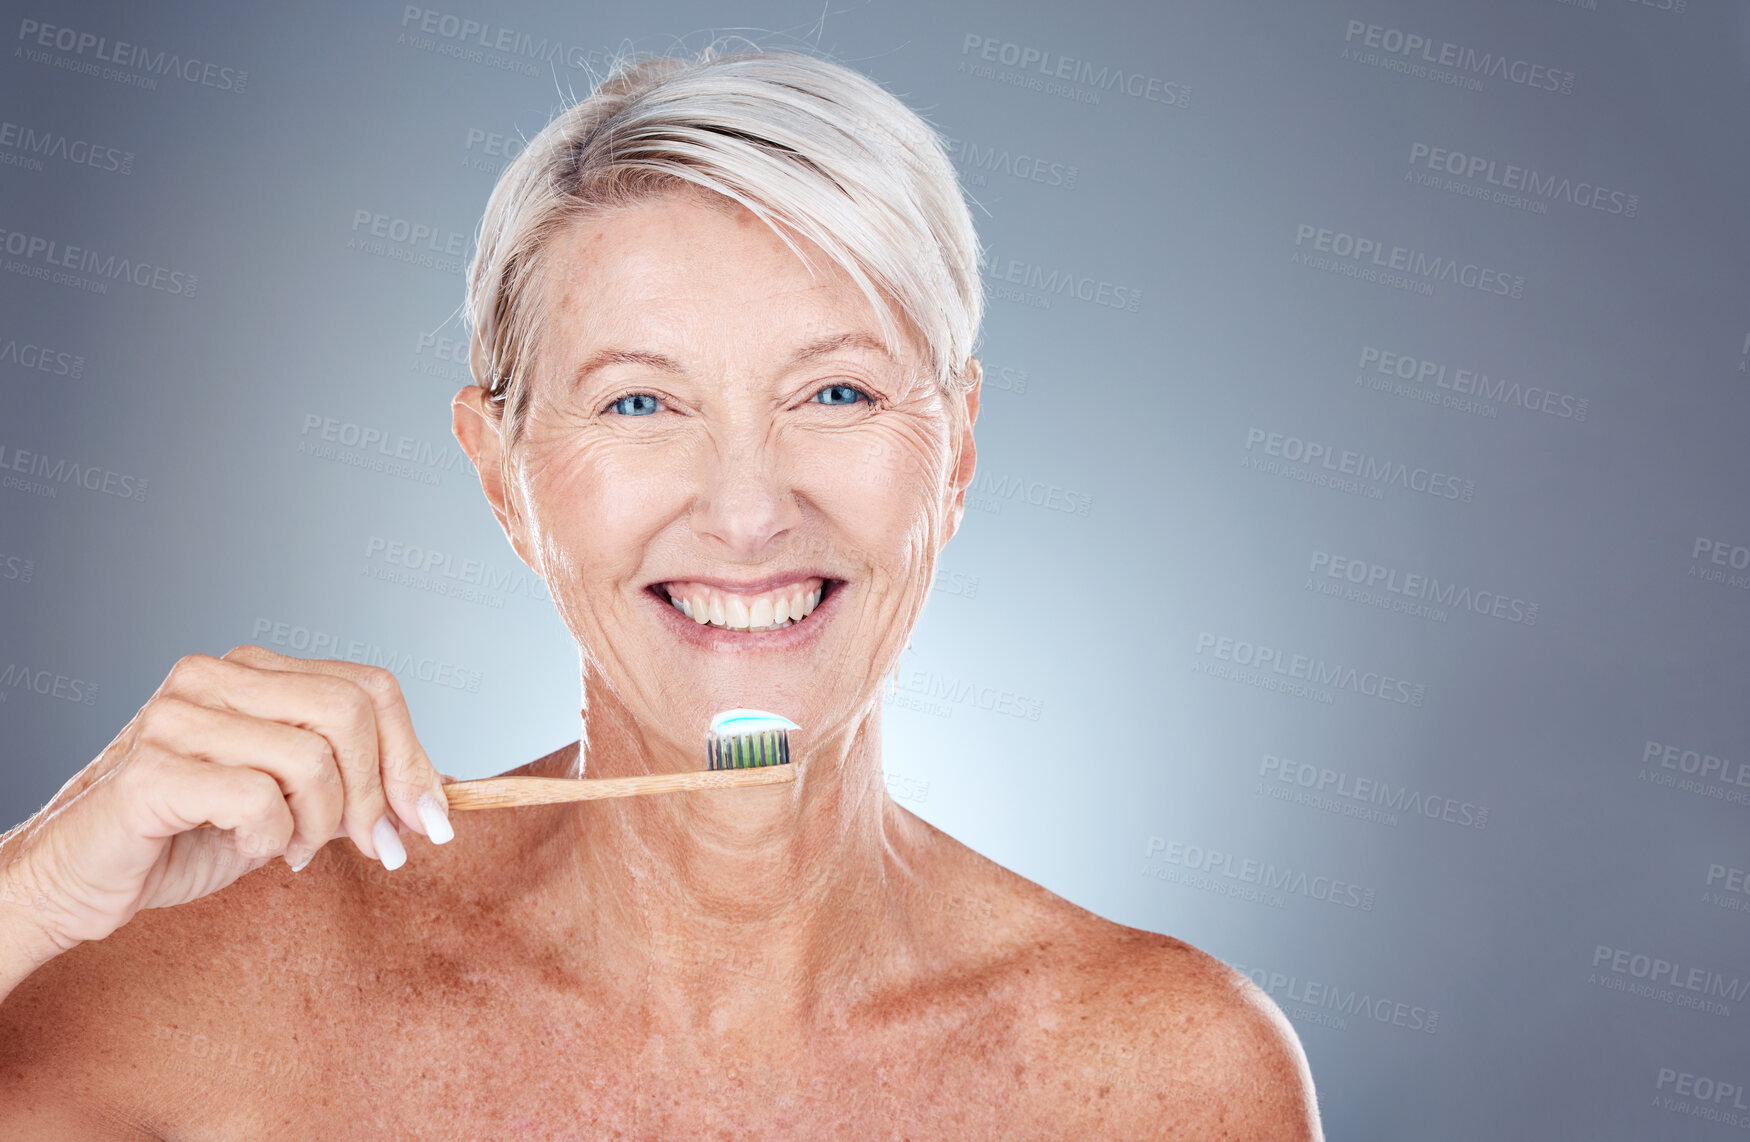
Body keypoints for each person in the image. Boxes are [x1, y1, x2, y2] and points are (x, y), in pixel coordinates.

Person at [0, 46, 1322, 1138]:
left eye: (837, 393)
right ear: (502, 473)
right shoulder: (220, 988)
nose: (747, 508)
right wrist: (37, 891)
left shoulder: (1166, 1079)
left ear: (957, 450)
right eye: (639, 400)